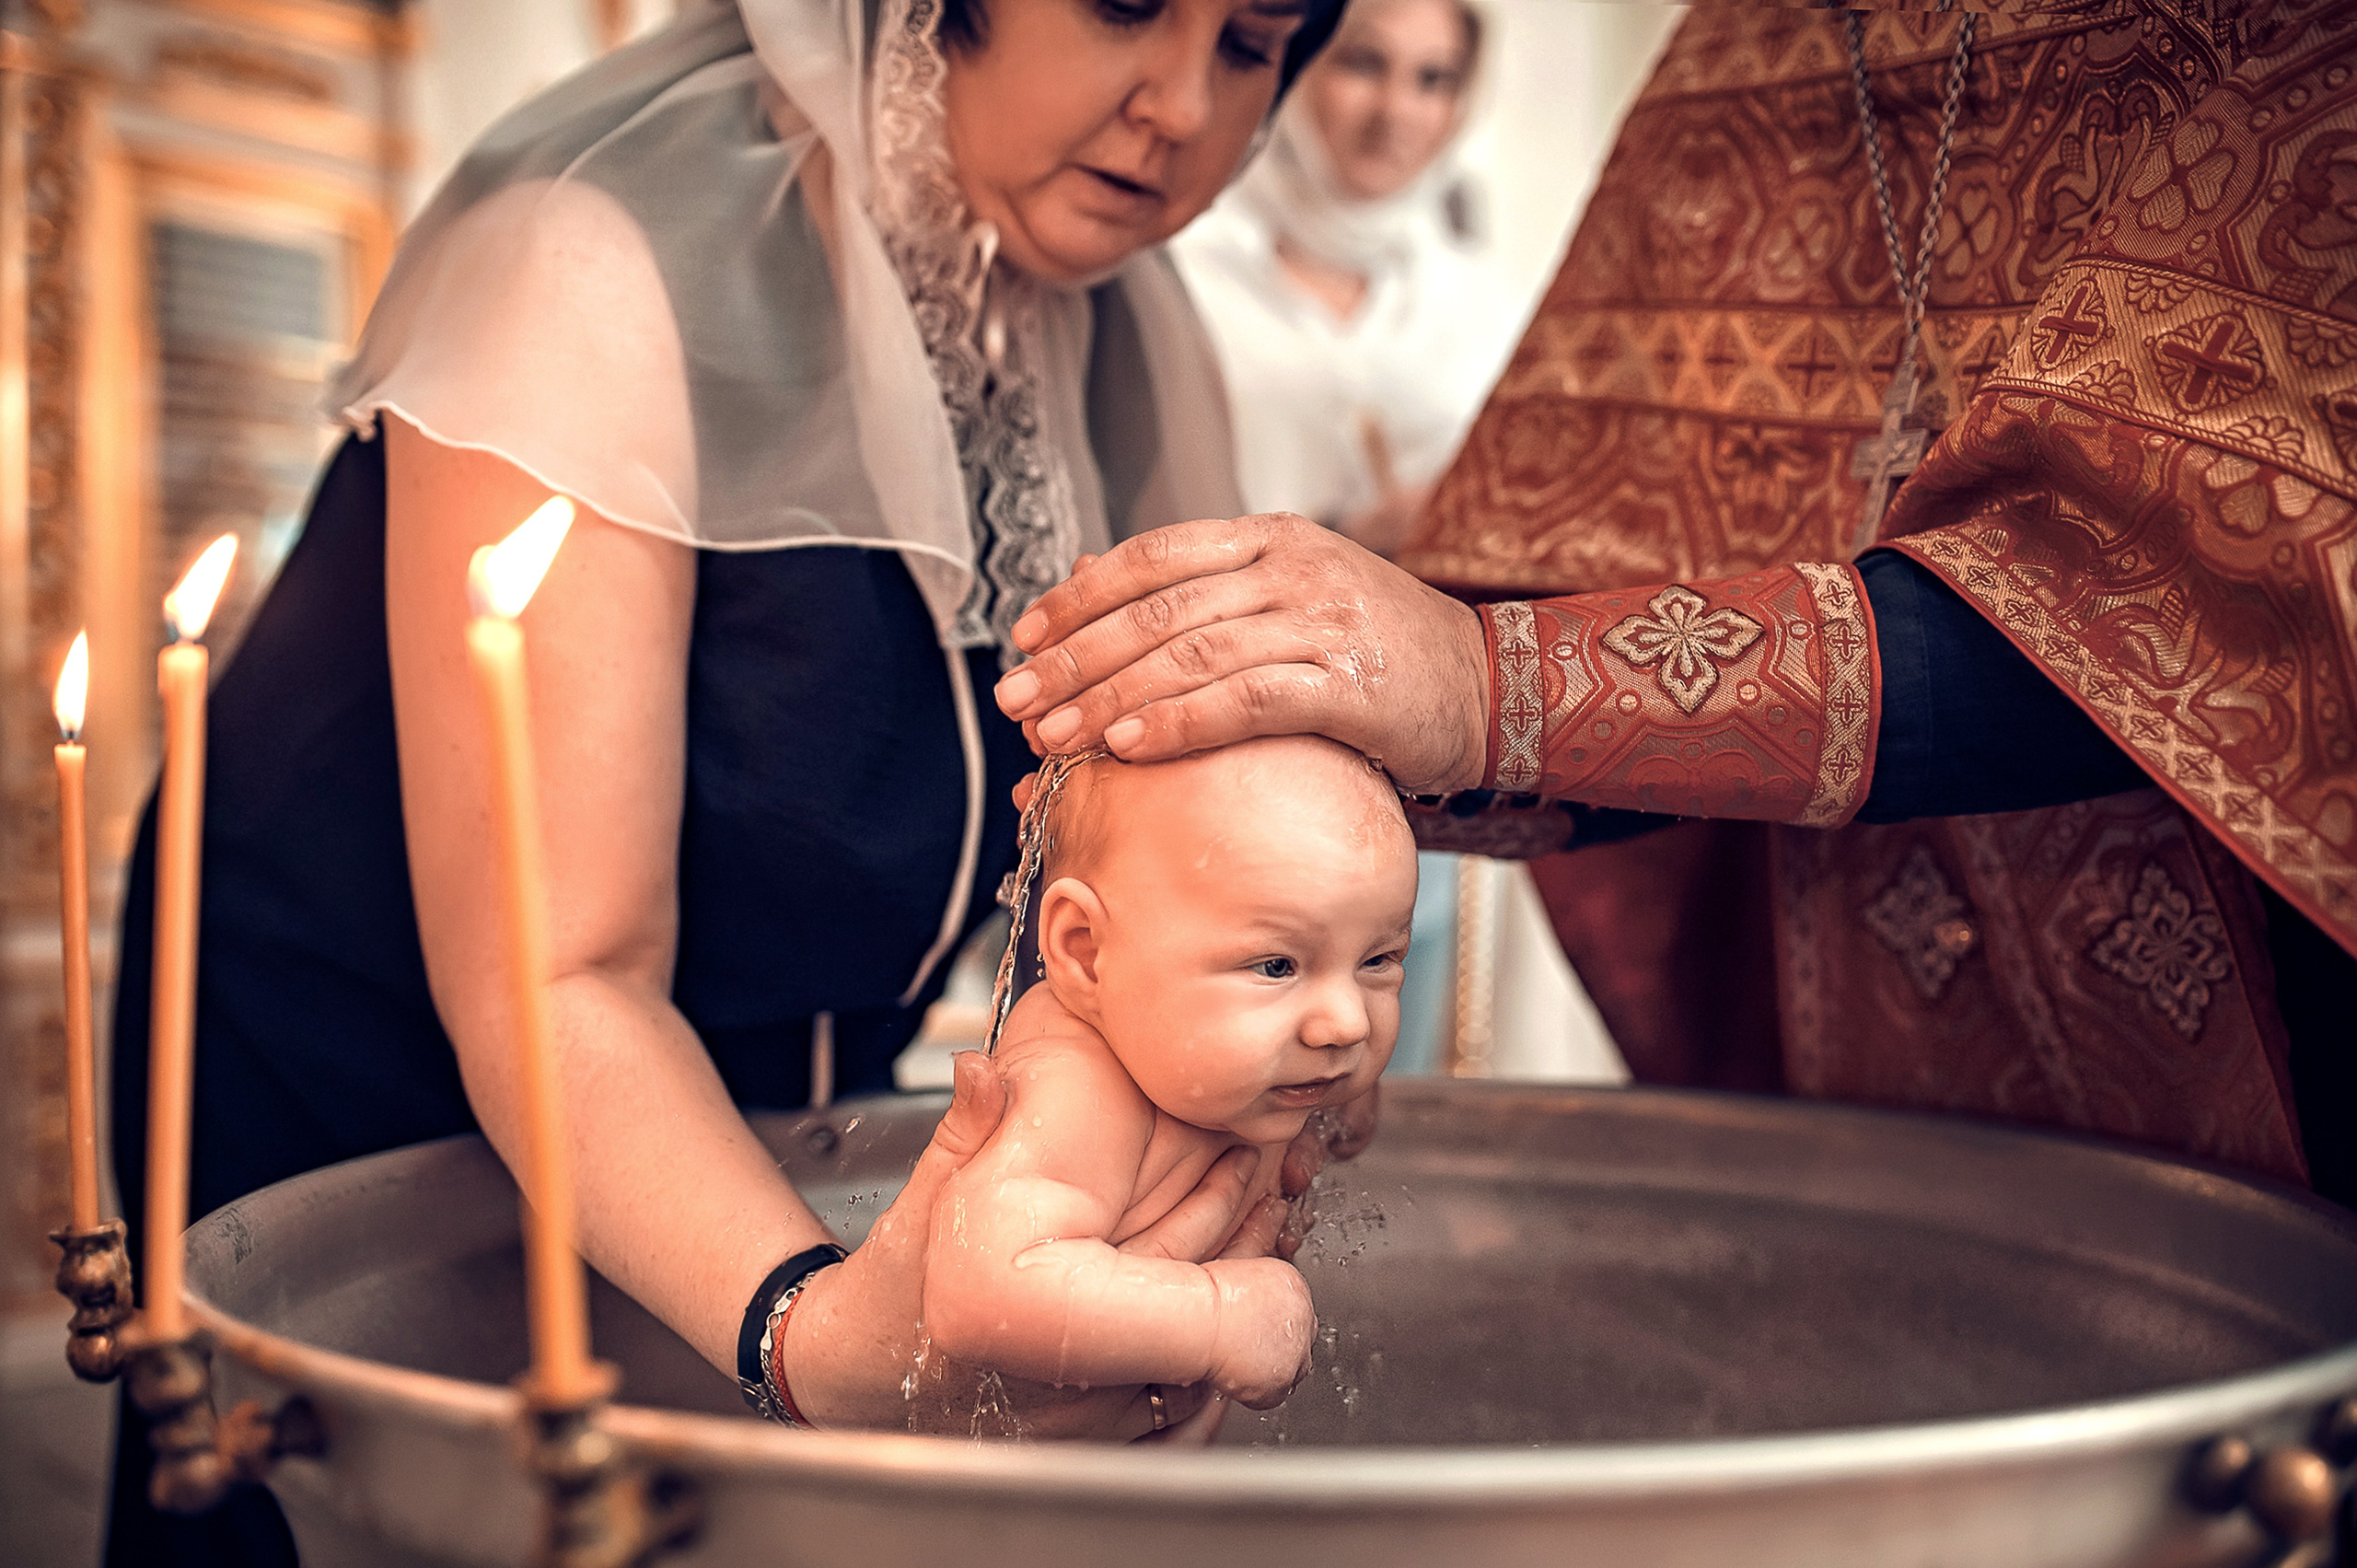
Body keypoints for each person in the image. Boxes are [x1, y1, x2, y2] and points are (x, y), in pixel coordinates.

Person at [105, 0, 1363, 1560]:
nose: (1182, 104)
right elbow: (560, 971)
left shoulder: (1128, 331)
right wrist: (810, 1331)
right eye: (1124, 5)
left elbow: (1160, 830)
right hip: (392, 1088)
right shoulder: (592, 250)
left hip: (764, 1126)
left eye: (1250, 44)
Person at [989, 0, 2357, 1207]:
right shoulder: (1762, 42)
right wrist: (1268, 746)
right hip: (1825, 1031)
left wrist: (1481, 681)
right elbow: (1565, 556)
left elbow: (2197, 599)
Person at [923, 738, 1412, 1417]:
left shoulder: (1211, 1053)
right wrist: (1215, 1319)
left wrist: (1334, 1102)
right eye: (1276, 965)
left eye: (1378, 958)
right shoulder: (1077, 1088)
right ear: (1087, 953)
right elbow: (976, 1291)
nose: (1346, 1023)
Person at [1171, 0, 1510, 557]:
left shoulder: (1485, 305)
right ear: (1295, 68)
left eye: (1433, 79)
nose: (1394, 110)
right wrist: (1346, 540)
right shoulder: (1187, 269)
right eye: (1364, 64)